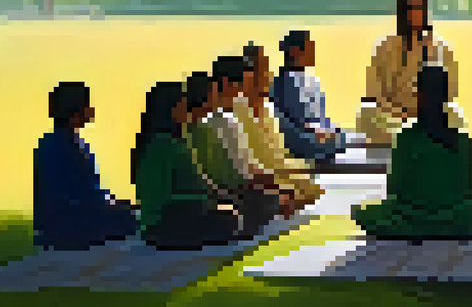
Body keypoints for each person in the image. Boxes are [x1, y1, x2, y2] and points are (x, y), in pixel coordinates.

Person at [352, 62, 472, 241]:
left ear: (419, 95)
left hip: (410, 218)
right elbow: (466, 192)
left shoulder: (406, 138)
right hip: (455, 219)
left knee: (363, 212)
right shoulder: (463, 141)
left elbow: (394, 189)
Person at [130, 81, 246, 250]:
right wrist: (204, 201)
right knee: (227, 218)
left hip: (190, 209)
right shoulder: (159, 146)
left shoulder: (177, 141)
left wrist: (217, 195)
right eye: (183, 106)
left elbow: (198, 180)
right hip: (163, 222)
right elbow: (160, 200)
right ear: (170, 109)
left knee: (234, 210)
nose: (187, 111)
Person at [32, 81, 139, 250]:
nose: (92, 110)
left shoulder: (67, 142)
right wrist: (110, 206)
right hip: (67, 224)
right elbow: (74, 195)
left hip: (73, 218)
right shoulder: (59, 146)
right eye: (88, 105)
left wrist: (112, 202)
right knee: (133, 221)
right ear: (75, 110)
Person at [356, 0, 467, 144]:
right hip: (391, 116)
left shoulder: (440, 47)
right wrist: (399, 113)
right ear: (402, 12)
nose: (416, 13)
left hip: (431, 116)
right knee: (366, 112)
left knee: (455, 114)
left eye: (419, 7)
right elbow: (374, 92)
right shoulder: (385, 46)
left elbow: (450, 92)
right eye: (411, 8)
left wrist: (423, 112)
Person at [183, 69, 287, 235]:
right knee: (262, 199)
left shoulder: (213, 122)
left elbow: (242, 162)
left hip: (229, 188)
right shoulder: (207, 126)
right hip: (221, 193)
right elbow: (226, 172)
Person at [234, 42, 326, 203]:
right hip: (259, 179)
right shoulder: (237, 111)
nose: (267, 75)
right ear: (246, 75)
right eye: (260, 69)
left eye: (266, 69)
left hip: (283, 171)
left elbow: (279, 151)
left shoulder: (268, 108)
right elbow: (252, 162)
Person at [269, 30, 348, 163]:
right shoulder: (283, 82)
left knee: (341, 136)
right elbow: (292, 119)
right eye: (309, 48)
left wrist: (327, 130)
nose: (313, 53)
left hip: (316, 132)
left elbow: (320, 115)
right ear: (295, 51)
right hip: (299, 136)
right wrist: (316, 131)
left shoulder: (313, 80)